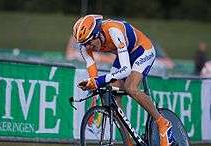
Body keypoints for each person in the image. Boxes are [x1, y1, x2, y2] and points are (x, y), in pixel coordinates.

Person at [73, 14, 175, 146]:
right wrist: (93, 83)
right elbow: (94, 74)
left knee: (130, 87)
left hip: (142, 50)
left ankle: (162, 122)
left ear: (98, 34)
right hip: (125, 54)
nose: (88, 47)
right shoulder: (85, 46)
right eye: (84, 44)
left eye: (89, 43)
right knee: (110, 93)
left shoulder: (114, 31)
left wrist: (99, 80)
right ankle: (128, 142)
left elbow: (126, 69)